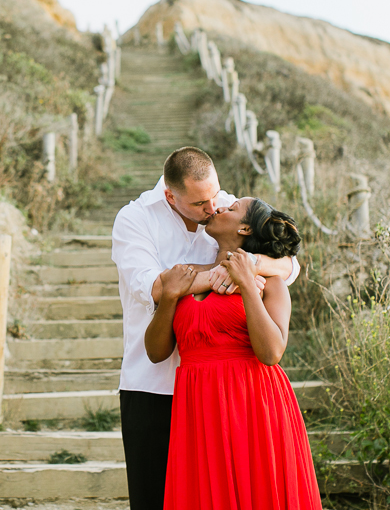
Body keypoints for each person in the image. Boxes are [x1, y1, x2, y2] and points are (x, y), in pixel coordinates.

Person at [111, 147, 300, 510]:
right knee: (154, 498)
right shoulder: (135, 219)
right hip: (153, 386)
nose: (212, 208)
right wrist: (217, 274)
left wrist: (245, 266)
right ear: (171, 196)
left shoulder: (223, 205)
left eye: (216, 196)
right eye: (201, 204)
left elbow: (288, 265)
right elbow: (154, 287)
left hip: (220, 395)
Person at [144, 197, 322, 510]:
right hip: (198, 408)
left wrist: (248, 284)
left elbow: (271, 352)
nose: (220, 207)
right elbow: (155, 353)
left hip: (254, 404)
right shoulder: (186, 277)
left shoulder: (270, 283)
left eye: (233, 207)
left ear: (244, 228)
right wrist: (170, 297)